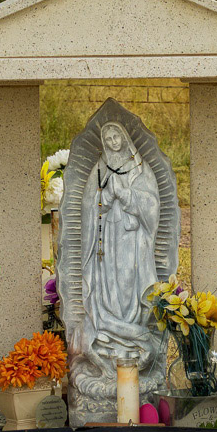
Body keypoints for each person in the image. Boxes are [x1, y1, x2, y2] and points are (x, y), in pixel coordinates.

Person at [79, 121, 161, 371]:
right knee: (109, 284)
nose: (113, 142)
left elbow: (152, 204)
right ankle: (109, 334)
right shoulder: (100, 168)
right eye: (109, 139)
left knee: (128, 281)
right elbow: (88, 205)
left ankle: (132, 333)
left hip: (132, 241)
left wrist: (125, 195)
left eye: (117, 137)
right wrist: (103, 197)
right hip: (106, 239)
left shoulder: (139, 168)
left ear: (124, 138)